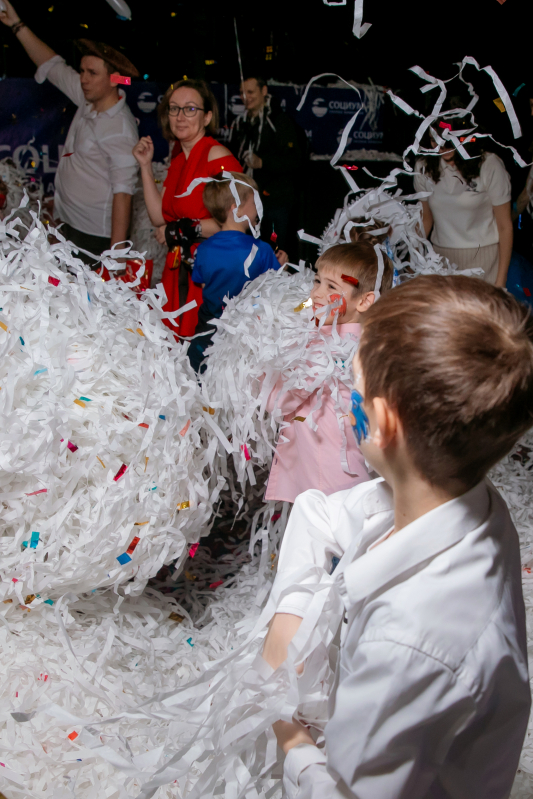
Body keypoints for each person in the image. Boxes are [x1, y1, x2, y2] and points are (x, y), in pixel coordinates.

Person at [262, 274, 533, 798]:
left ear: (381, 423)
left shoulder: (409, 643)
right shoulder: (463, 497)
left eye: (354, 384)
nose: (348, 398)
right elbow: (318, 513)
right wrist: (290, 613)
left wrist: (285, 725)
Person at [0, 0, 140, 267]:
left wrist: (117, 258)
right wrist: (16, 25)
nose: (83, 79)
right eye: (82, 71)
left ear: (114, 79)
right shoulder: (88, 97)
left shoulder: (120, 129)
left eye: (92, 73)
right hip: (69, 225)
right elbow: (52, 65)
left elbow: (124, 195)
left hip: (96, 239)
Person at [265, 241, 394, 503]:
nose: (316, 293)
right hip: (349, 471)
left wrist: (265, 366)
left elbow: (277, 402)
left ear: (365, 301)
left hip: (323, 479)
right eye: (316, 281)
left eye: (331, 287)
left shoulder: (323, 349)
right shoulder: (370, 341)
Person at [133, 79, 242, 337]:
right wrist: (145, 166)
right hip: (178, 269)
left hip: (208, 274)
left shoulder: (217, 156)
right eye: (174, 108)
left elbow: (239, 222)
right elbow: (159, 217)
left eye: (190, 109)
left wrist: (180, 230)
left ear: (207, 117)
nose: (180, 116)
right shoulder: (179, 160)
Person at [187, 172, 288, 373]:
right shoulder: (261, 250)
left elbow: (204, 284)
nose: (259, 206)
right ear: (237, 209)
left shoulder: (203, 249)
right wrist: (282, 266)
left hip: (207, 333)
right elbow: (277, 291)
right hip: (247, 337)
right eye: (254, 201)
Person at [413, 124, 513, 287]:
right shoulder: (424, 167)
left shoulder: (489, 164)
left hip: (484, 259)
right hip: (441, 259)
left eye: (448, 142)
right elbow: (426, 220)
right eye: (435, 141)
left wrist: (501, 280)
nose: (442, 148)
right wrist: (412, 260)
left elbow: (505, 226)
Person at [229, 76, 305, 252]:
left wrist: (263, 162)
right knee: (250, 252)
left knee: (275, 252)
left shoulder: (280, 121)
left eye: (250, 92)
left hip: (276, 201)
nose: (246, 97)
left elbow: (295, 160)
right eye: (242, 93)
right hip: (248, 201)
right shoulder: (241, 123)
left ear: (264, 91)